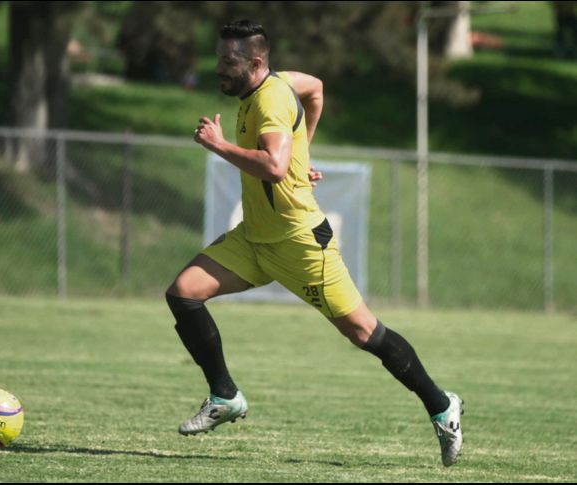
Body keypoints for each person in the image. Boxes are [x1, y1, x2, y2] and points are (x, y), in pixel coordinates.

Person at [165, 19, 464, 467]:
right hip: (255, 238)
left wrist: (219, 145)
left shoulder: (268, 100)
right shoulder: (282, 82)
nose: (219, 69)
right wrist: (303, 152)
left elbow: (273, 166)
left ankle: (443, 406)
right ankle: (224, 395)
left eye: (229, 62)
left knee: (365, 332)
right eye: (219, 59)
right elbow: (317, 89)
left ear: (256, 62)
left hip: (301, 243)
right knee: (184, 293)